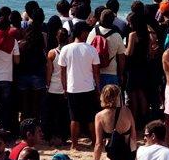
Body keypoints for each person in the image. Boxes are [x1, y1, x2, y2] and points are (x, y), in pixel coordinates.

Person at [57, 22, 101, 151]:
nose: (88, 34)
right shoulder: (91, 49)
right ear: (82, 33)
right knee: (90, 117)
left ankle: (74, 144)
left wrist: (64, 88)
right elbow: (96, 73)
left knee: (74, 117)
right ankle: (94, 142)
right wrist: (98, 89)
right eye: (86, 32)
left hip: (72, 88)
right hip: (88, 87)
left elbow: (63, 72)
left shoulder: (65, 49)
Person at [93, 84, 137, 160]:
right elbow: (133, 137)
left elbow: (98, 144)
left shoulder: (100, 116)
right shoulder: (127, 111)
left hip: (113, 156)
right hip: (129, 154)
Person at [43, 27, 70, 146]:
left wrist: (47, 84)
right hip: (67, 86)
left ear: (57, 38)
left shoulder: (52, 53)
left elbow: (49, 71)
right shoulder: (70, 51)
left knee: (51, 114)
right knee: (64, 114)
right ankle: (63, 136)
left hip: (54, 86)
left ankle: (50, 137)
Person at [87, 10, 125, 88]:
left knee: (97, 99)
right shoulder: (117, 35)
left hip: (95, 72)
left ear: (100, 19)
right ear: (113, 20)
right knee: (111, 99)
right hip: (111, 72)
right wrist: (121, 74)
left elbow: (87, 52)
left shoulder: (93, 32)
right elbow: (121, 58)